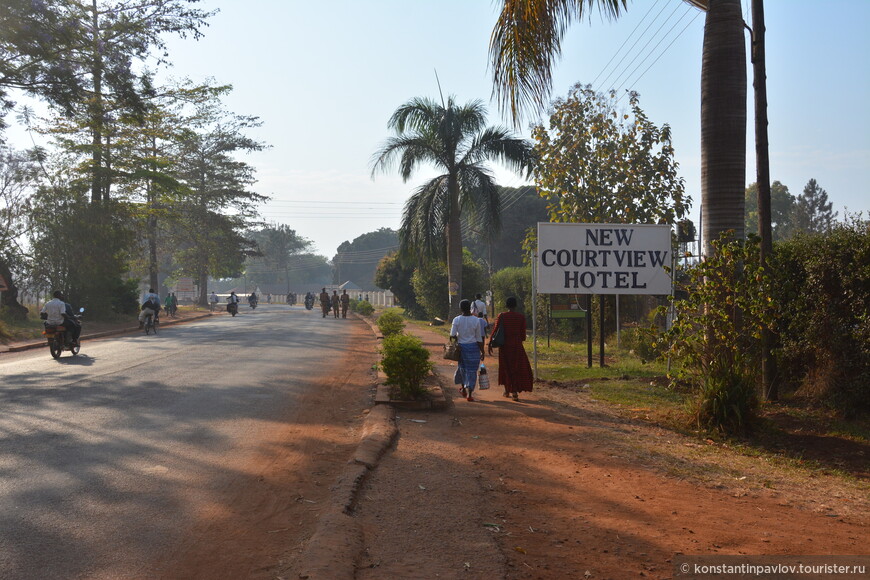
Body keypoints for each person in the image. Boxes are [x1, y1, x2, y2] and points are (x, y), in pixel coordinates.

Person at [488, 296, 534, 401]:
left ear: (506, 305)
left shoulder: (502, 316)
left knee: (506, 368)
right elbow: (523, 335)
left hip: (505, 347)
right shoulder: (520, 317)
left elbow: (495, 331)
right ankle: (515, 392)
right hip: (517, 346)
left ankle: (507, 390)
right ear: (516, 305)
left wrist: (491, 342)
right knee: (517, 368)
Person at [450, 299, 485, 402]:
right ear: (469, 308)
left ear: (460, 308)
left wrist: (457, 342)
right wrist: (482, 351)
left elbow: (452, 335)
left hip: (461, 349)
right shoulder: (476, 320)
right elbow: (479, 338)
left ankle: (464, 389)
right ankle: (469, 394)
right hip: (474, 349)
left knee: (463, 369)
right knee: (472, 371)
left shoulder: (456, 320)